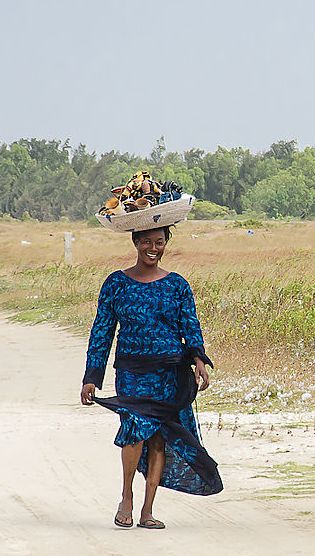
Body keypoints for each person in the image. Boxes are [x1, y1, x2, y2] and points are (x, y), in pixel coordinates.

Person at [80, 225, 222, 530]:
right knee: (134, 430)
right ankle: (126, 497)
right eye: (147, 242)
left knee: (158, 437)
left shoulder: (177, 285)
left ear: (165, 244)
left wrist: (199, 360)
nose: (153, 248)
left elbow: (190, 326)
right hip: (131, 371)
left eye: (159, 242)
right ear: (135, 242)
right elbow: (102, 331)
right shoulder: (116, 284)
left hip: (170, 373)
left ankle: (148, 510)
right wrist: (92, 376)